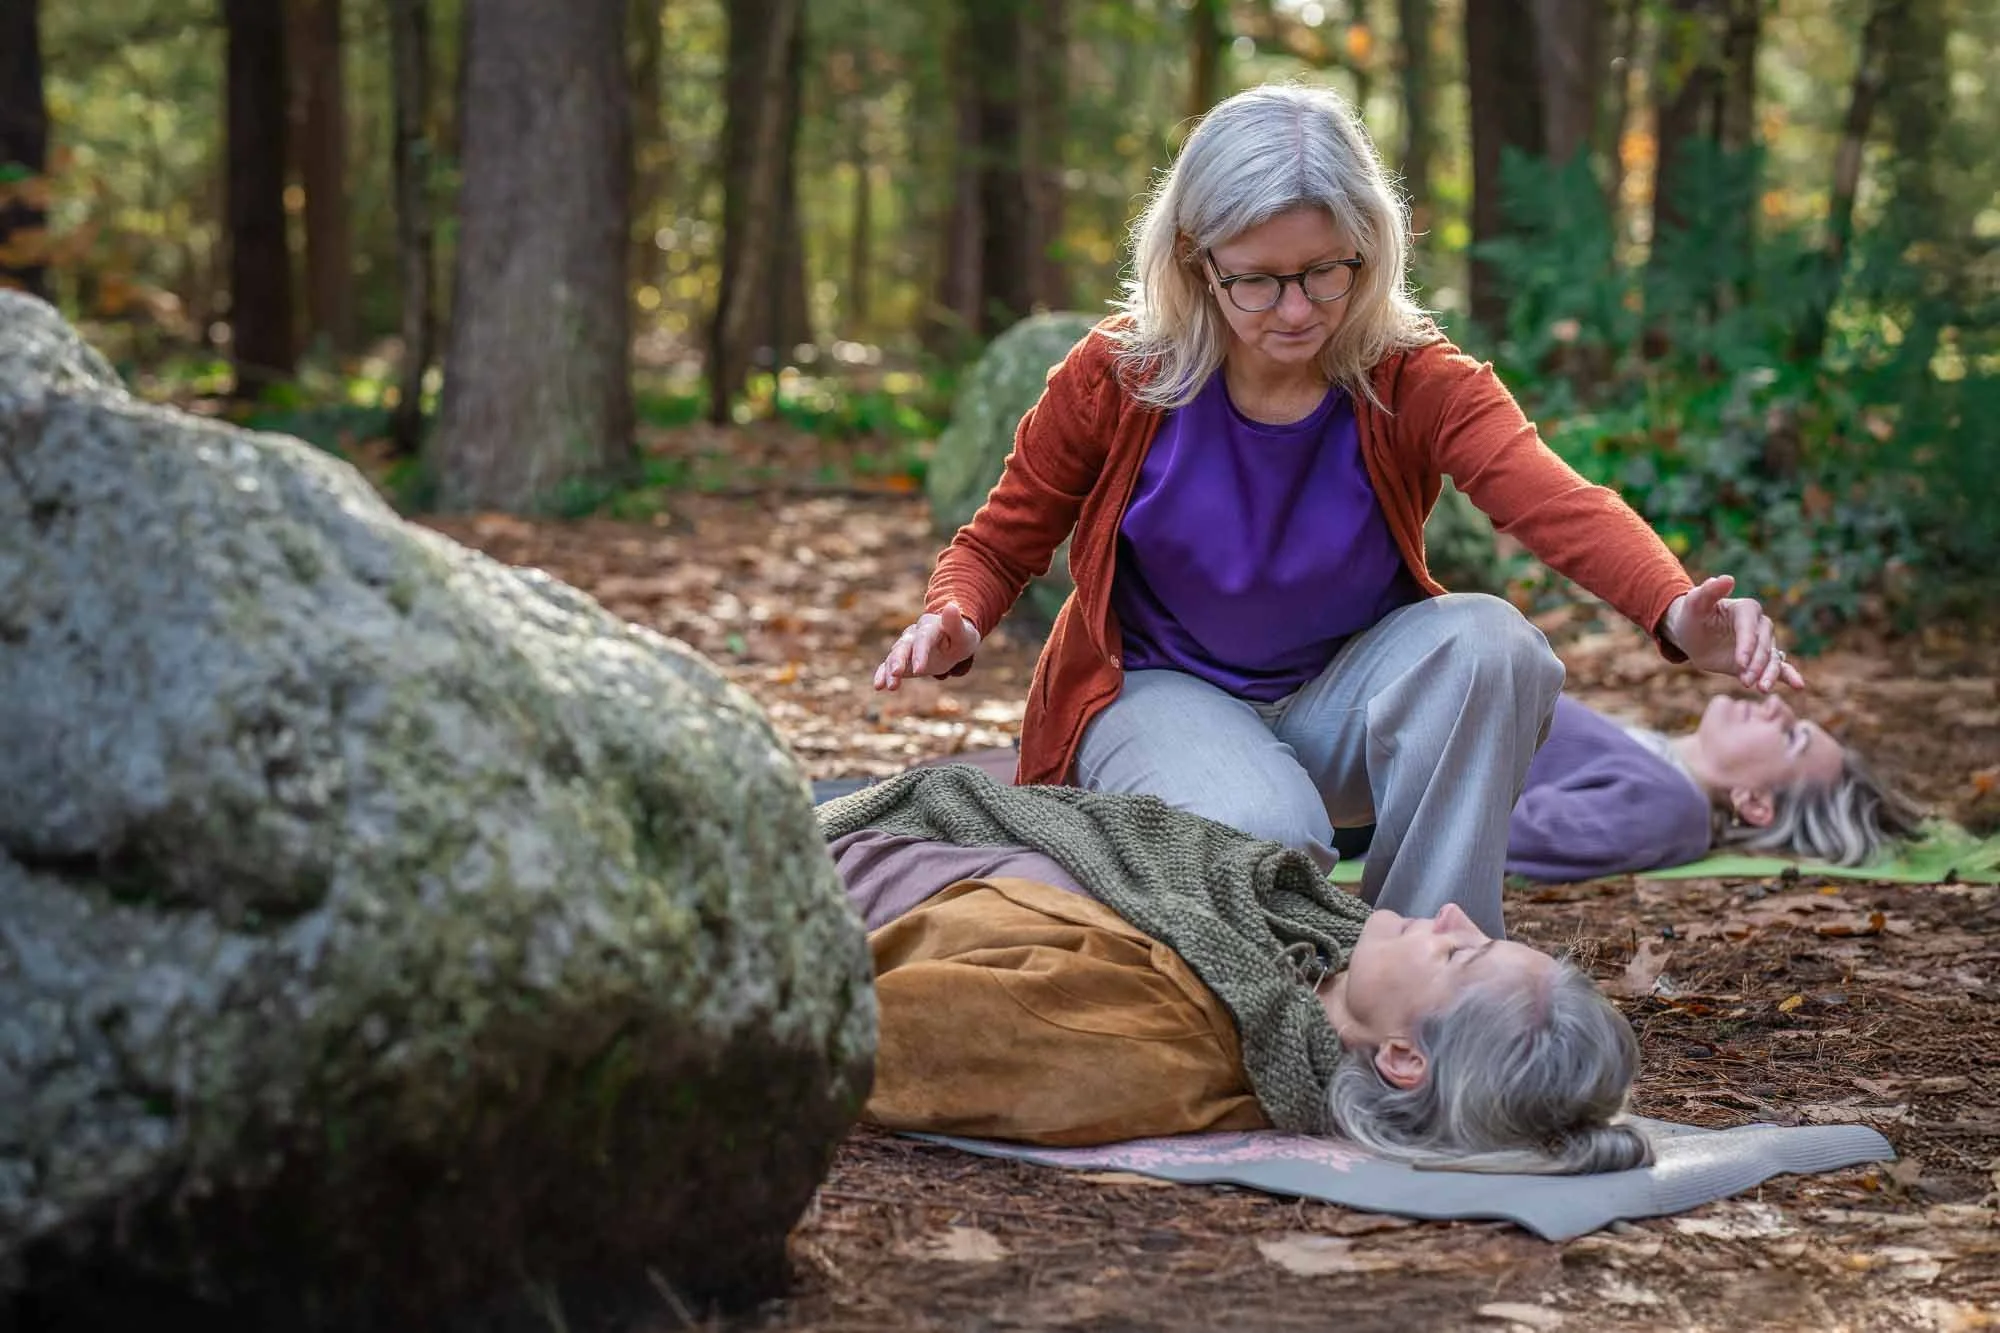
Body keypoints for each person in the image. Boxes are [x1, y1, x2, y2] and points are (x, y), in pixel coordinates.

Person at [872, 84, 1804, 939]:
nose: (1296, 309)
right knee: (1266, 832)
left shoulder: (1412, 376)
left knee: (1494, 644)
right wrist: (955, 616)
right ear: (1197, 262)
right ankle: (1290, 975)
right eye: (1259, 280)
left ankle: (1425, 966)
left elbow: (1552, 498)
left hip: (1334, 704)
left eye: (1327, 271)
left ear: (1369, 245)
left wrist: (1675, 608)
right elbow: (1001, 542)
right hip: (1154, 696)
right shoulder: (1122, 376)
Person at [822, 766, 1653, 1173]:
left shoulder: (1161, 1035)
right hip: (893, 812)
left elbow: (839, 1034)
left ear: (1404, 1057)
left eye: (1459, 951)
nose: (1451, 912)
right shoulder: (1302, 931)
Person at [1508, 692, 1924, 881]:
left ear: (1756, 802)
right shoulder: (1661, 765)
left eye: (1792, 736)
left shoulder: (1669, 809)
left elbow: (1496, 830)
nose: (1778, 706)